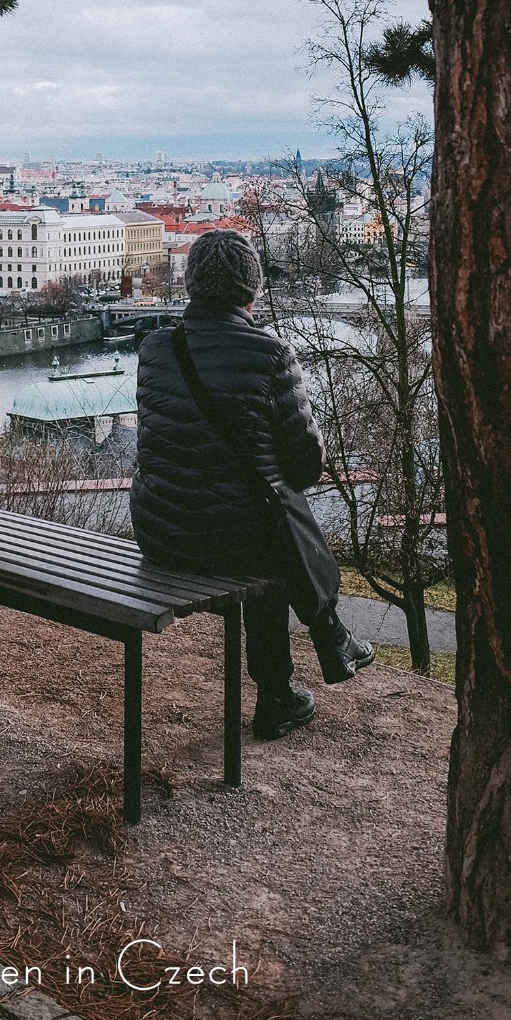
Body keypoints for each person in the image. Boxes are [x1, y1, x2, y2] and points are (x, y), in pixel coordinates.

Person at [130, 228, 374, 740]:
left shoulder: (155, 348)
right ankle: (288, 682)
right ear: (252, 289)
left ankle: (325, 647)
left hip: (160, 529)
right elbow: (306, 467)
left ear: (192, 285)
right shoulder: (270, 353)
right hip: (235, 540)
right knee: (272, 522)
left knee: (258, 518)